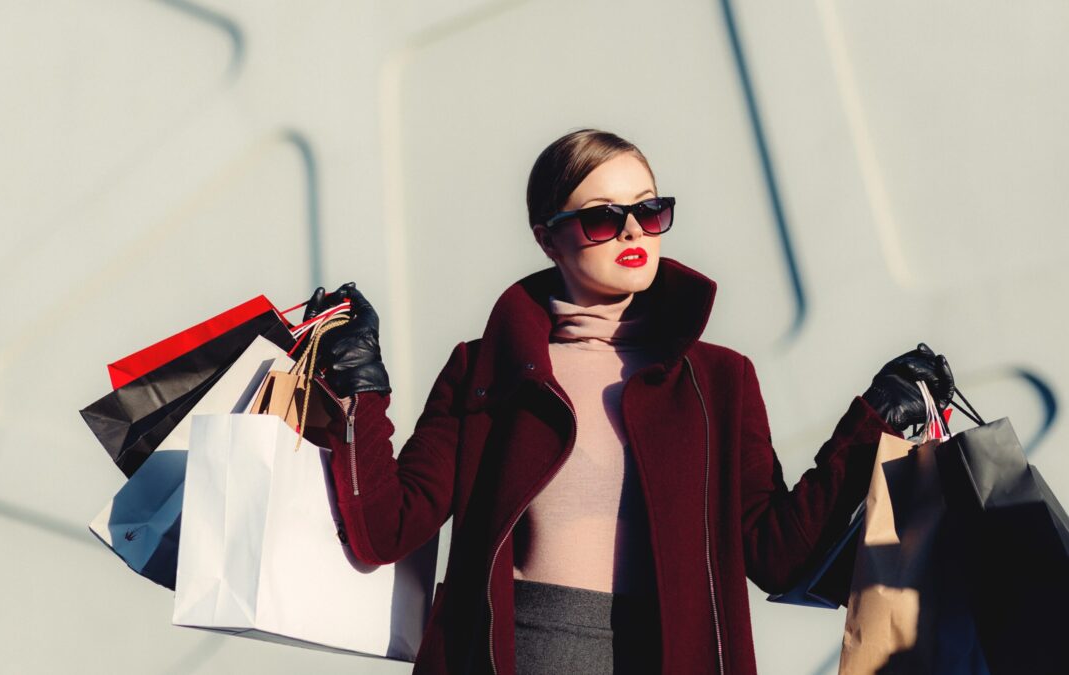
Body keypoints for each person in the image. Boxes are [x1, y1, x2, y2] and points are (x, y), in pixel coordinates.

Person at [303, 129, 954, 674]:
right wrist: (361, 386)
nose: (632, 231)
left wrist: (871, 423)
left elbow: (776, 554)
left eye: (649, 210)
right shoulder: (486, 370)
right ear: (546, 237)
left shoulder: (718, 381)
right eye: (600, 218)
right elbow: (386, 526)